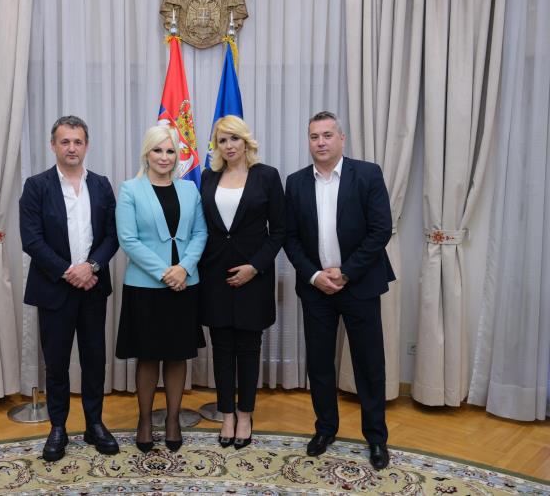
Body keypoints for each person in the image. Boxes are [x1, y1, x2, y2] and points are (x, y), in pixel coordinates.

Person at [284, 111, 395, 470]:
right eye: (314, 136)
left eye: (327, 135)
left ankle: (376, 438)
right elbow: (289, 238)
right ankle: (325, 429)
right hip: (316, 289)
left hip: (359, 285)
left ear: (342, 139)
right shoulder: (295, 182)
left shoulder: (368, 174)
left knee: (369, 364)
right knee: (319, 363)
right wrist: (315, 275)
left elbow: (380, 230)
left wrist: (346, 273)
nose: (321, 142)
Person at [20, 115, 120, 461]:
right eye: (65, 141)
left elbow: (113, 235)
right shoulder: (36, 186)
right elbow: (31, 240)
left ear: (86, 145)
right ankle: (58, 428)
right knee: (57, 364)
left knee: (94, 361)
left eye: (78, 142)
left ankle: (94, 425)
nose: (72, 148)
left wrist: (91, 267)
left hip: (93, 287)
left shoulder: (102, 185)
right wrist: (68, 272)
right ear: (53, 145)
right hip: (54, 290)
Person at [115, 124, 207, 453]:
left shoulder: (190, 190)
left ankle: (172, 420)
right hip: (146, 286)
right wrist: (165, 273)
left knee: (178, 355)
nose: (164, 157)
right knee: (149, 356)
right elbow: (128, 239)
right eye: (158, 150)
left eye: (170, 151)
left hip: (185, 284)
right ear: (147, 153)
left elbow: (200, 233)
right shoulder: (130, 189)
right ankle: (144, 421)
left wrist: (184, 268)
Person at [199, 115, 285, 449]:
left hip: (254, 276)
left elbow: (279, 231)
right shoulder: (208, 177)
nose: (229, 145)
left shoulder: (267, 176)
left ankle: (245, 414)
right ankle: (227, 415)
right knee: (221, 347)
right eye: (222, 140)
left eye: (234, 138)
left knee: (249, 347)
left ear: (246, 141)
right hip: (215, 275)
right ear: (217, 146)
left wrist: (255, 267)